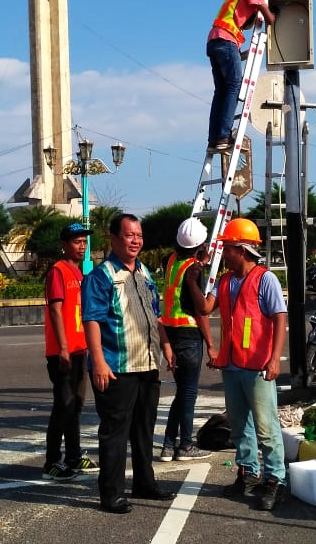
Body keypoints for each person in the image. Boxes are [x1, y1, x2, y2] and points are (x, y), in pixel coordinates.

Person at [82, 213, 176, 514]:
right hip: (116, 367)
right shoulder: (102, 276)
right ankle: (111, 493)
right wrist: (98, 361)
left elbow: (155, 314)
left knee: (144, 429)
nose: (135, 240)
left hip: (146, 363)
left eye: (139, 235)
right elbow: (92, 320)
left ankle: (144, 483)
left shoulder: (145, 273)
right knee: (115, 431)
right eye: (129, 235)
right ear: (113, 238)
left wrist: (166, 345)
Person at [203, 218, 288, 511]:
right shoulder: (226, 281)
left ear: (242, 249)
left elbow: (279, 318)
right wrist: (194, 276)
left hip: (257, 366)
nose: (224, 253)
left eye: (227, 248)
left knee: (266, 427)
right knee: (240, 426)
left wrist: (275, 359)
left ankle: (276, 479)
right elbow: (205, 308)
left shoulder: (266, 280)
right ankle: (249, 473)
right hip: (233, 365)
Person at [206, 0, 285, 152]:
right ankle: (223, 136)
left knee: (222, 90)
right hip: (225, 40)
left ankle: (214, 139)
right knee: (234, 86)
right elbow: (267, 17)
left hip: (216, 41)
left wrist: (243, 54)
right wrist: (274, 16)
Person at [41, 222, 100, 481]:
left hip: (79, 350)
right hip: (62, 352)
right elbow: (55, 309)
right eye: (77, 241)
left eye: (84, 242)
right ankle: (52, 462)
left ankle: (74, 457)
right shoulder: (58, 271)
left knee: (75, 405)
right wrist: (63, 347)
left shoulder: (79, 273)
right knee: (63, 405)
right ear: (64, 245)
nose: (82, 246)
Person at [159, 218, 215, 463]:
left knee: (182, 393)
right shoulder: (195, 271)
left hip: (171, 333)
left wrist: (199, 261)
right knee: (189, 393)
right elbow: (201, 312)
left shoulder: (171, 261)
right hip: (190, 334)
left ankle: (168, 445)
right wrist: (211, 345)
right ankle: (186, 446)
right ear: (202, 246)